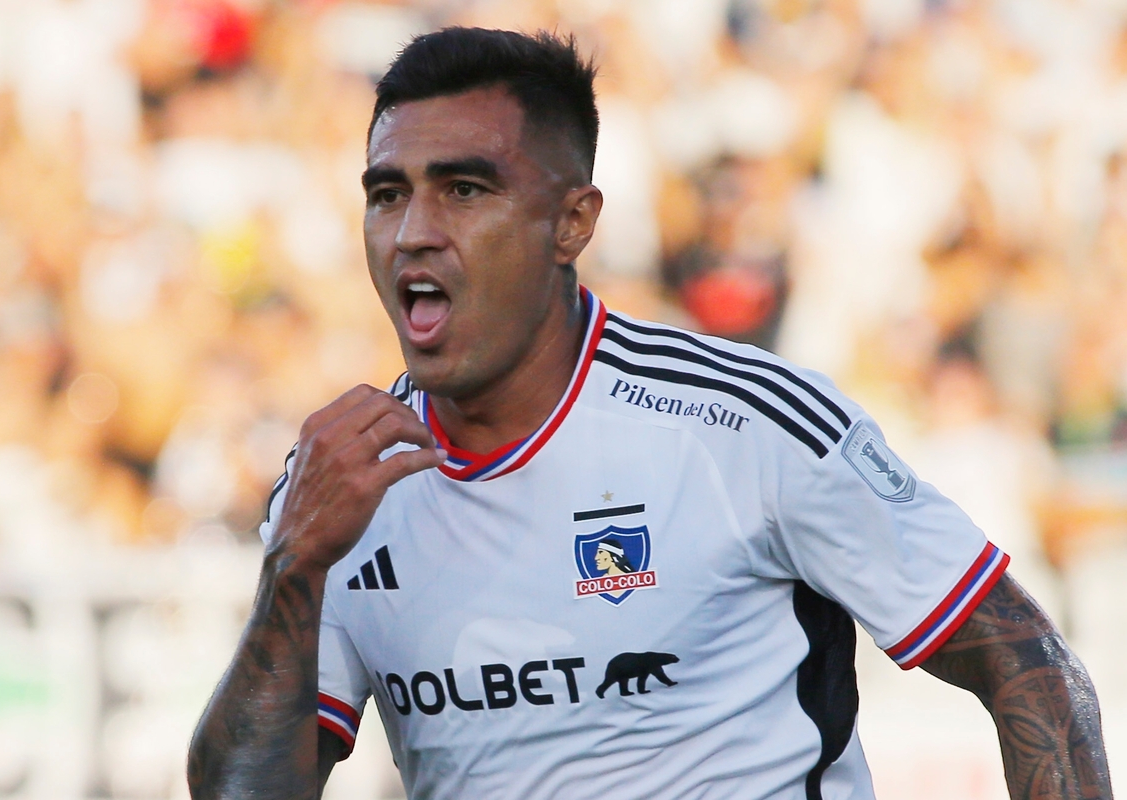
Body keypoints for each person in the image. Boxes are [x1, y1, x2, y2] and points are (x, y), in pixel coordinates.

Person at [186, 28, 1114, 800]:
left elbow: (1028, 666)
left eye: (465, 189)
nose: (414, 230)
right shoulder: (340, 487)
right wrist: (293, 569)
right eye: (388, 194)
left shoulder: (742, 426)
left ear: (572, 224)